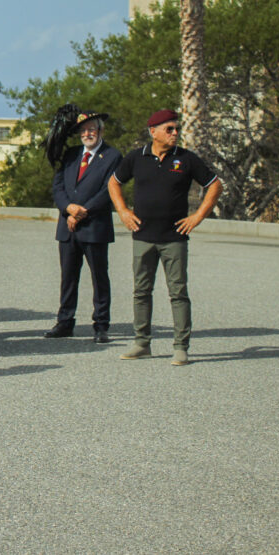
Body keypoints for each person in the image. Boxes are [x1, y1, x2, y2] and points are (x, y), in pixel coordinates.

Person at [108, 109, 222, 366]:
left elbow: (214, 184)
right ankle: (141, 342)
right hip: (143, 236)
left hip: (174, 238)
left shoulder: (186, 159)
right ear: (153, 132)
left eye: (176, 128)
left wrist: (197, 217)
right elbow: (114, 183)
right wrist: (123, 211)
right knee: (141, 291)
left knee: (178, 293)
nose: (175, 133)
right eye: (169, 129)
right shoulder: (137, 158)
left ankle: (181, 346)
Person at [46, 110, 122, 343]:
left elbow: (108, 190)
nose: (87, 134)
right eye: (83, 130)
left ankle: (101, 324)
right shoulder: (70, 155)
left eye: (92, 129)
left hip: (94, 226)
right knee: (68, 277)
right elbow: (58, 187)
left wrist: (82, 212)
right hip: (67, 227)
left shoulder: (112, 156)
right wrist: (68, 208)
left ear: (101, 131)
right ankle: (65, 321)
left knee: (99, 277)